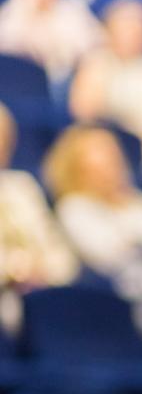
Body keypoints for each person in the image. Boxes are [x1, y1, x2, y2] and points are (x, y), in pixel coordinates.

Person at [46, 125, 142, 302]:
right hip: (107, 301)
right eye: (102, 165)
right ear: (80, 170)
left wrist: (132, 226)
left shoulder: (137, 202)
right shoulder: (74, 207)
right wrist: (140, 236)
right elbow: (107, 254)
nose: (112, 171)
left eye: (114, 161)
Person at [69, 0, 142, 148]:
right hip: (106, 144)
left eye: (140, 29)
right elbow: (84, 112)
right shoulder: (95, 62)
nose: (133, 35)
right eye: (127, 28)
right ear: (110, 30)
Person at [0, 103, 79, 291]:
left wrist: (41, 271)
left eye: (4, 141)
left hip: (36, 296)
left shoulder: (21, 186)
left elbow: (62, 258)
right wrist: (13, 270)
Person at [0, 0, 101, 81]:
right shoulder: (13, 9)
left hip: (59, 82)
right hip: (14, 78)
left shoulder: (72, 12)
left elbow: (90, 51)